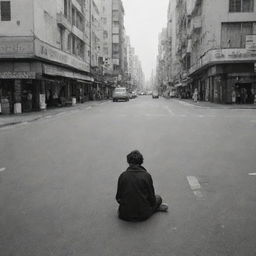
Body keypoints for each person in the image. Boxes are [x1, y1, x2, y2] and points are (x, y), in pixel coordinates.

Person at [116, 150, 168, 222]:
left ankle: (150, 209)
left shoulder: (123, 175)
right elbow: (152, 199)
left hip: (124, 214)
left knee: (128, 203)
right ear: (141, 162)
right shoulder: (146, 176)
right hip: (143, 214)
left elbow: (118, 198)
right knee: (158, 198)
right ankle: (155, 209)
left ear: (128, 162)